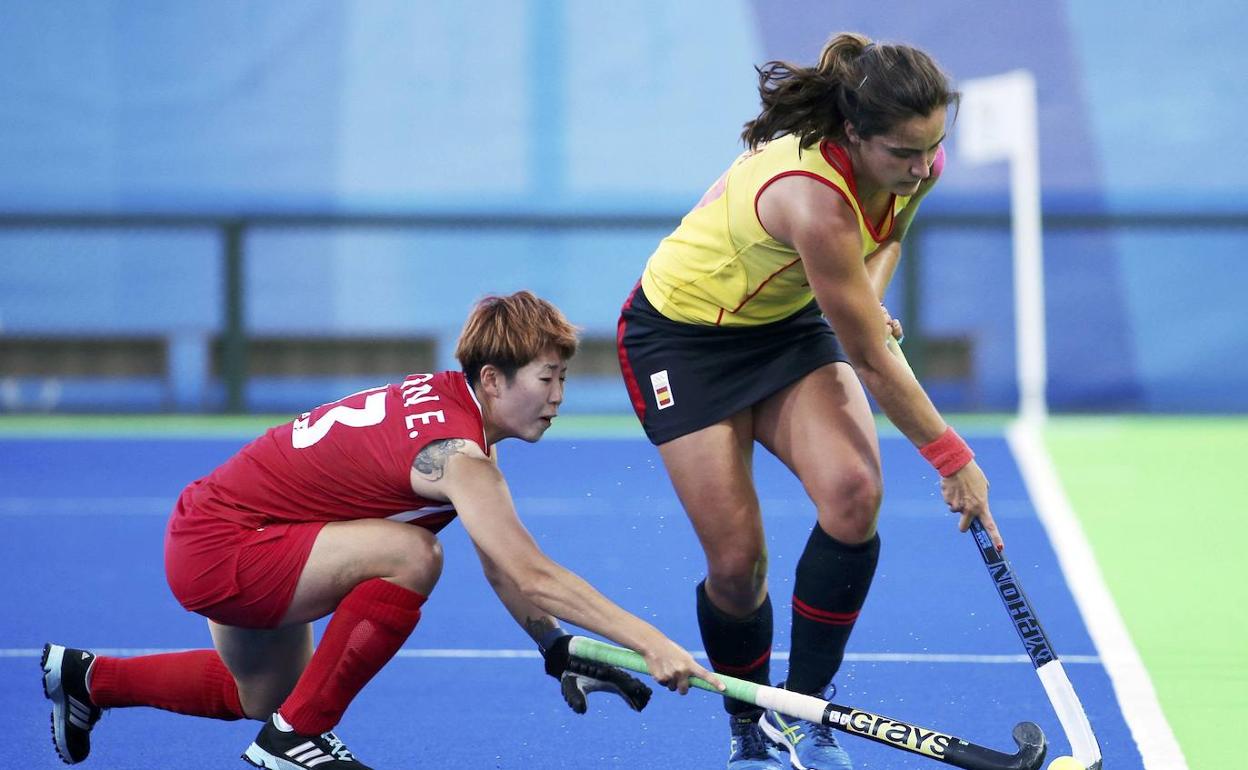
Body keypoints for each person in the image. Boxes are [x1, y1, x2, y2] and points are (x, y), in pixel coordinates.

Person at [41, 290, 722, 769]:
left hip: (227, 531)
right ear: (492, 378)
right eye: (547, 378)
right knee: (412, 555)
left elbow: (500, 561)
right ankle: (298, 740)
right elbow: (531, 573)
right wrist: (651, 641)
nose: (559, 397)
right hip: (227, 546)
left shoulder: (455, 418)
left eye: (564, 378)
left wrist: (555, 648)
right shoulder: (458, 457)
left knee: (267, 695)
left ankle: (91, 679)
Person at [616, 33, 1003, 770]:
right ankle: (750, 724)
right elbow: (869, 359)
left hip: (785, 324)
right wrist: (952, 458)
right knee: (738, 565)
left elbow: (886, 235)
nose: (923, 168)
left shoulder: (914, 159)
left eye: (934, 148)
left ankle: (807, 713)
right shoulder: (812, 199)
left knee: (854, 493)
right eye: (904, 154)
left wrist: (864, 297)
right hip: (683, 341)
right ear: (854, 133)